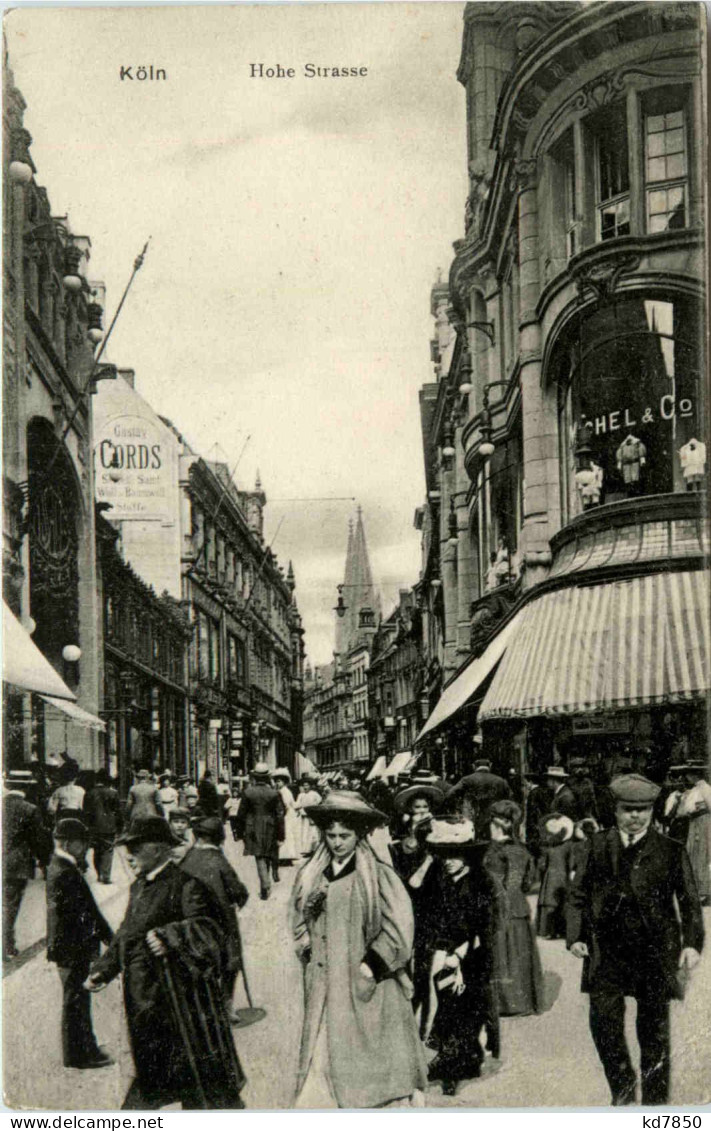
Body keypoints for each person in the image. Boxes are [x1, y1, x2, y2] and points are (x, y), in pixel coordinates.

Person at [85, 817, 245, 1109]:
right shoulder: (139, 887)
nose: (128, 855)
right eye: (127, 848)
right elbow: (126, 932)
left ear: (159, 849)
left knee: (200, 1087)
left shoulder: (186, 885)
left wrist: (171, 935)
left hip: (179, 1009)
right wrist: (104, 969)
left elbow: (210, 931)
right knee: (155, 1077)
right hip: (145, 1002)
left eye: (135, 848)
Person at [567, 774, 704, 1106]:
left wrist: (691, 944)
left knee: (654, 1031)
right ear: (615, 810)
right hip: (606, 950)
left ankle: (655, 1108)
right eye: (628, 809)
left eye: (643, 810)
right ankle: (623, 1090)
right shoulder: (596, 845)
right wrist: (575, 935)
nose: (635, 816)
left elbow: (688, 900)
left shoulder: (670, 850)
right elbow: (576, 895)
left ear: (652, 811)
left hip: (654, 951)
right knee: (603, 1024)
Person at [290, 791, 427, 1108]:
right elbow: (298, 919)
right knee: (322, 1059)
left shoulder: (376, 876)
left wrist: (371, 966)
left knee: (371, 1064)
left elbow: (399, 928)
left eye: (345, 835)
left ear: (359, 835)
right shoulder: (312, 874)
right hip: (326, 985)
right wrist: (307, 943)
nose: (337, 842)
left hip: (367, 984)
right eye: (331, 835)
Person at [422, 817, 497, 1096]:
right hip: (444, 952)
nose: (449, 861)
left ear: (467, 855)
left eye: (455, 855)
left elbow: (484, 926)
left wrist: (460, 956)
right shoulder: (442, 880)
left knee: (462, 1011)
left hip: (470, 957)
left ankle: (452, 1068)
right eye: (444, 855)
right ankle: (464, 1058)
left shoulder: (479, 883)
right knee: (445, 1007)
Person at [46, 818, 115, 1069]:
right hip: (73, 948)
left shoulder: (60, 865)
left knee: (76, 1000)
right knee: (77, 1002)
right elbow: (84, 913)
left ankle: (85, 1049)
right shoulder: (66, 871)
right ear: (68, 842)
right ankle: (81, 1055)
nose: (85, 847)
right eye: (82, 843)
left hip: (65, 948)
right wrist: (102, 943)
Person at [180, 815, 249, 1020]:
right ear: (220, 838)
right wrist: (239, 900)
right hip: (216, 921)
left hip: (186, 921)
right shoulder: (218, 860)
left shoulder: (187, 857)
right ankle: (226, 1005)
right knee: (231, 957)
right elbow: (238, 891)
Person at [390, 779, 445, 1031]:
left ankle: (422, 1022)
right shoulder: (403, 842)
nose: (422, 812)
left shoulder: (438, 837)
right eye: (417, 808)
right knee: (406, 960)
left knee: (425, 962)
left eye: (425, 808)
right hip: (410, 905)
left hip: (432, 904)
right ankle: (408, 1014)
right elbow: (408, 881)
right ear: (409, 812)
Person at [484, 800, 544, 1017]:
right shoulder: (522, 850)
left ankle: (506, 1004)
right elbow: (529, 883)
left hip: (499, 907)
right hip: (519, 907)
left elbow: (492, 882)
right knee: (519, 954)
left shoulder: (492, 852)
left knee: (503, 953)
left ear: (497, 825)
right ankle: (523, 1003)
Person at [3, 772, 51, 959]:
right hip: (15, 865)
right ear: (26, 787)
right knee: (9, 905)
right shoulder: (29, 809)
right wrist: (46, 861)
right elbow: (38, 840)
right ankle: (6, 946)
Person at [232, 762, 285, 900]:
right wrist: (281, 835)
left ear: (254, 777)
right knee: (267, 853)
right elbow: (280, 814)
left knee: (259, 855)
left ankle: (265, 885)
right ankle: (266, 882)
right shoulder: (274, 793)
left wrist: (238, 831)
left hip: (253, 826)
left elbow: (241, 814)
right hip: (270, 825)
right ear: (267, 777)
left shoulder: (248, 792)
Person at [665, 761, 711, 905]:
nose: (686, 778)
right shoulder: (694, 790)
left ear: (695, 775)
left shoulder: (705, 788)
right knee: (693, 854)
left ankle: (704, 891)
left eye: (689, 774)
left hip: (701, 822)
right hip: (693, 822)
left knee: (701, 854)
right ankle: (698, 889)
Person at [446, 758, 512, 838]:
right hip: (494, 820)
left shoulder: (467, 779)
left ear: (474, 766)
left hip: (472, 818)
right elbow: (510, 798)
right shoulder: (500, 781)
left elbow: (450, 794)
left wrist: (457, 807)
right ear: (490, 766)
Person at [536, 814, 575, 939]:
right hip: (564, 876)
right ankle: (562, 930)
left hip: (550, 877)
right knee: (563, 903)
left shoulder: (548, 847)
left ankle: (547, 931)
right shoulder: (569, 846)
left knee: (549, 902)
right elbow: (572, 863)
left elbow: (542, 865)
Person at [83, 770, 122, 884]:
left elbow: (86, 812)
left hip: (94, 826)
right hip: (109, 826)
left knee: (97, 850)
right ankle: (106, 875)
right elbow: (118, 811)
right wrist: (120, 826)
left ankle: (99, 873)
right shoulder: (113, 793)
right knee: (108, 850)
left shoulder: (89, 793)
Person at [271, 768, 300, 867]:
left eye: (279, 781)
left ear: (284, 782)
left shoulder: (284, 791)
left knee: (286, 834)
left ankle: (286, 857)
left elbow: (286, 805)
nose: (277, 783)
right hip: (288, 815)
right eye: (276, 781)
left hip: (287, 815)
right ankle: (285, 856)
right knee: (286, 835)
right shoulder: (283, 791)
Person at [294, 773, 322, 858]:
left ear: (310, 786)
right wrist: (298, 808)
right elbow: (297, 805)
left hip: (311, 816)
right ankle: (306, 850)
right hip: (303, 816)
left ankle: (314, 849)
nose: (305, 787)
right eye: (304, 785)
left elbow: (319, 803)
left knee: (312, 833)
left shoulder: (314, 794)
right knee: (304, 833)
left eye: (307, 785)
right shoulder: (301, 795)